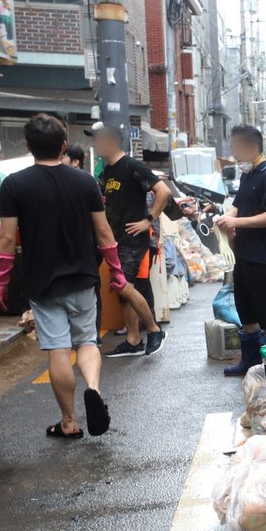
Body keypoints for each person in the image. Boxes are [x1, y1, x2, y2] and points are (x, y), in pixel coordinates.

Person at [0, 114, 127, 438]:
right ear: (63, 145)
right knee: (87, 342)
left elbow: (7, 239)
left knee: (57, 349)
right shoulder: (85, 182)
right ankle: (93, 389)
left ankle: (69, 421)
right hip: (83, 276)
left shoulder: (15, 185)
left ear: (29, 147)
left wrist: (0, 282)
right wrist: (118, 272)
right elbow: (104, 232)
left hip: (43, 282)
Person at [89, 124, 167, 357]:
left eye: (98, 140)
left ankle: (154, 330)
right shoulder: (107, 172)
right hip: (115, 239)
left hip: (133, 239)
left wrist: (148, 220)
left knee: (125, 286)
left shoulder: (133, 166)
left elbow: (163, 191)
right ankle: (133, 340)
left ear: (111, 142)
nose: (95, 144)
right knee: (121, 289)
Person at [216, 124, 266, 377]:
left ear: (251, 146)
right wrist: (226, 217)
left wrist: (236, 222)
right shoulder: (247, 174)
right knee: (244, 307)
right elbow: (237, 206)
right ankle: (249, 364)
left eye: (235, 147)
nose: (233, 153)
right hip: (243, 253)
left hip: (263, 255)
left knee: (265, 312)